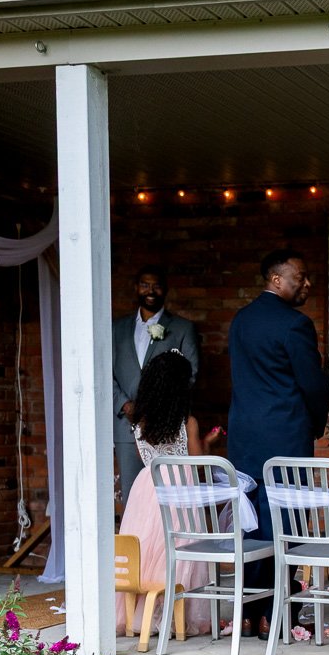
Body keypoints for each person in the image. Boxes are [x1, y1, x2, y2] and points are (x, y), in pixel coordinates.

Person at [227, 248, 329, 636]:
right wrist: (316, 423)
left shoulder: (240, 320)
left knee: (251, 526)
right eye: (299, 277)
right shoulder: (294, 324)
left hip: (244, 438)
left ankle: (248, 611)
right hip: (285, 437)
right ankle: (275, 613)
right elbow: (313, 385)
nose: (306, 284)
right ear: (276, 279)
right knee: (284, 525)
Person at [114, 350, 211, 636]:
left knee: (147, 550)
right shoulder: (187, 423)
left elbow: (144, 456)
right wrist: (209, 442)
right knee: (179, 549)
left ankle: (140, 615)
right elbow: (197, 463)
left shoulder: (140, 423)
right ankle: (172, 616)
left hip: (147, 488)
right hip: (178, 489)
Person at [112, 265, 199, 499]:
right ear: (136, 288)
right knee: (133, 496)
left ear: (165, 289)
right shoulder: (116, 328)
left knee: (174, 496)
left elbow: (190, 374)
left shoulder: (182, 328)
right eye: (145, 285)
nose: (150, 290)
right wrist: (125, 405)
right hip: (127, 425)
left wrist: (158, 408)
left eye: (156, 286)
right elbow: (104, 373)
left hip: (169, 427)